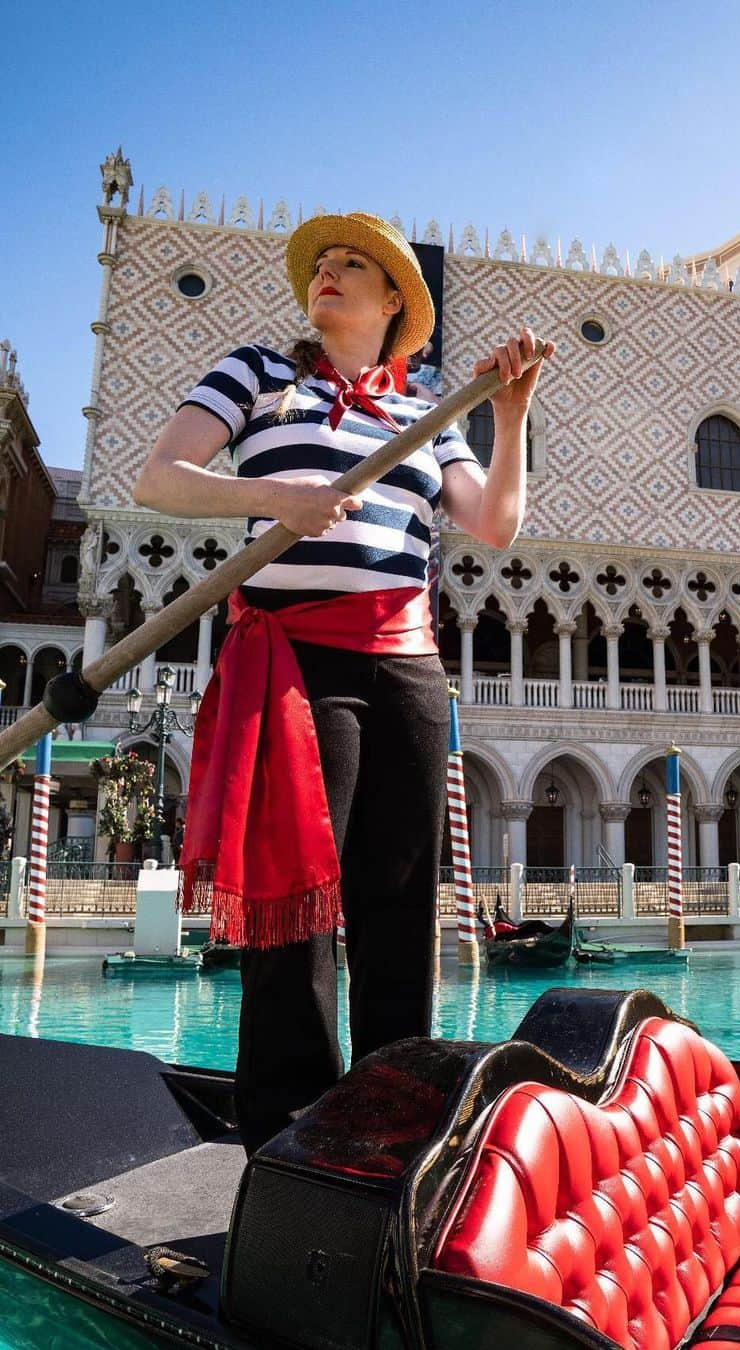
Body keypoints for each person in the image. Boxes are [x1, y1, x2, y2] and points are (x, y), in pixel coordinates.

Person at [133, 211, 552, 1154]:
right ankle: (291, 1133)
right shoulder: (256, 374)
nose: (328, 272)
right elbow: (162, 479)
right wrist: (268, 498)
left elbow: (493, 524)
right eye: (322, 263)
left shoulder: (426, 408)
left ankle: (396, 1120)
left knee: (398, 901)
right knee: (298, 898)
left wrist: (512, 413)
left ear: (396, 300)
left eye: (352, 264)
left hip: (405, 664)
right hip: (294, 659)